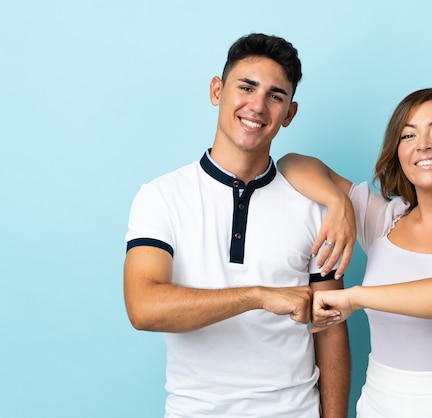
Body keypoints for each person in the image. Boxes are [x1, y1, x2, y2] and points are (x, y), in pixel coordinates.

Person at [123, 33, 350, 418]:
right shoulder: (161, 196)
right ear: (217, 90)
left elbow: (330, 328)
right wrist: (258, 296)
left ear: (289, 113)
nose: (257, 106)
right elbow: (144, 308)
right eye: (246, 87)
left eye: (275, 96)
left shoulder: (314, 205)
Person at [277, 88, 432, 417]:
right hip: (380, 401)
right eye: (408, 135)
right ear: (399, 152)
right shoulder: (385, 219)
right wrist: (338, 201)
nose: (423, 144)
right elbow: (291, 163)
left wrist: (355, 297)